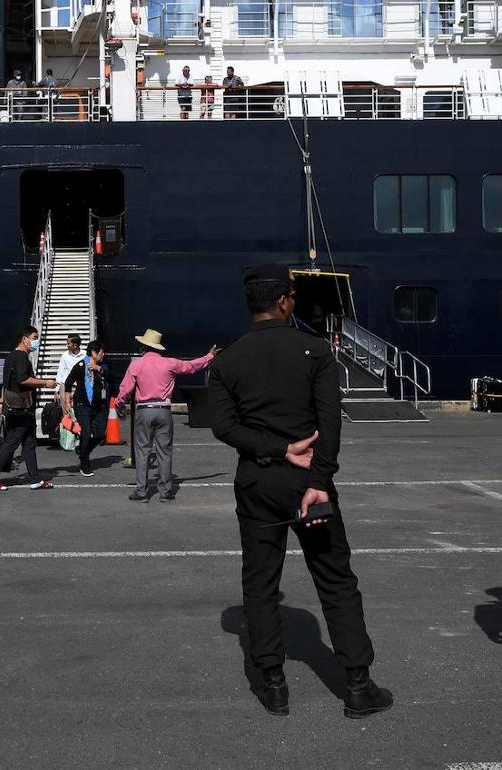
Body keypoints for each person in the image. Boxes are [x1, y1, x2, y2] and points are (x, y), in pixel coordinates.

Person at [208, 264, 393, 719]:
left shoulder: (227, 360)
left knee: (260, 581)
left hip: (257, 482)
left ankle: (272, 685)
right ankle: (357, 684)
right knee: (335, 580)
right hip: (310, 482)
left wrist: (275, 448)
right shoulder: (315, 352)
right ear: (285, 301)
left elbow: (223, 427)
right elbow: (330, 424)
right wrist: (317, 478)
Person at [117, 329, 216, 502]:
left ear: (144, 347)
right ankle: (166, 491)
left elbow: (125, 389)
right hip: (163, 410)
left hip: (144, 410)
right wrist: (209, 356)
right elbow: (192, 366)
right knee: (164, 451)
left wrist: (119, 404)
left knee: (142, 452)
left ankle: (141, 491)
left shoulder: (136, 365)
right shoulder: (169, 363)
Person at [0, 325, 56, 491]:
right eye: (34, 338)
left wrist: (3, 402)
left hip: (22, 408)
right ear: (25, 339)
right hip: (20, 409)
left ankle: (35, 479)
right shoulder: (20, 357)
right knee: (11, 443)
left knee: (30, 444)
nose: (36, 341)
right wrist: (45, 382)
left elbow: (6, 383)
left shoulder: (11, 356)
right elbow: (23, 380)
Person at [63, 341, 111, 476]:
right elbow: (68, 383)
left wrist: (99, 369)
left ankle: (83, 450)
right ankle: (85, 463)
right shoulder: (80, 365)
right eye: (101, 352)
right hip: (82, 404)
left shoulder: (103, 366)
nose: (103, 354)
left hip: (99, 405)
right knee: (86, 432)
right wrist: (67, 402)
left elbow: (111, 378)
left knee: (100, 434)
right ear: (94, 353)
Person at [54, 334, 83, 412]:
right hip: (65, 385)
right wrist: (57, 389)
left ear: (75, 345)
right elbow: (60, 372)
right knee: (66, 411)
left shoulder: (85, 355)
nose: (66, 345)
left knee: (79, 410)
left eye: (68, 343)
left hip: (79, 386)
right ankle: (66, 424)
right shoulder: (65, 355)